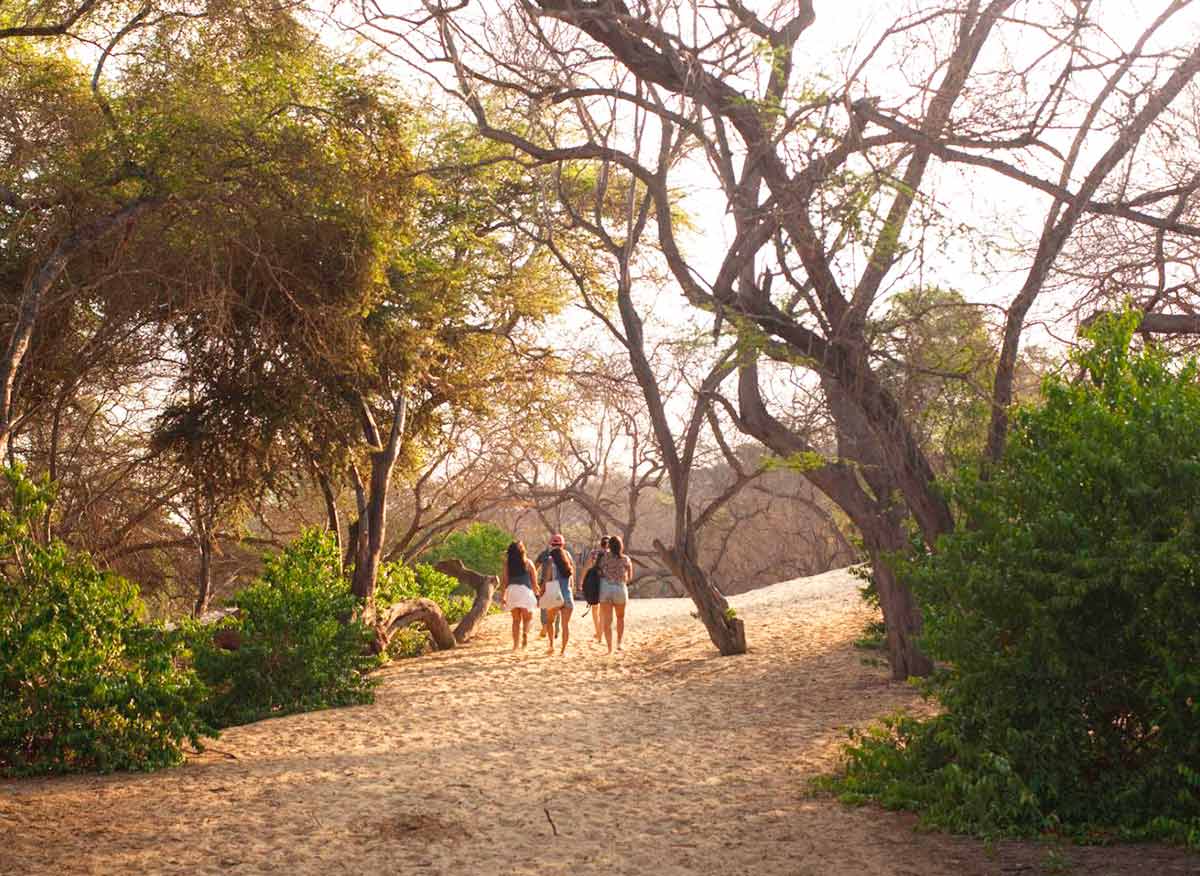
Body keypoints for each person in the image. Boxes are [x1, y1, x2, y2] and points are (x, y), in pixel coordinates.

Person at [597, 534, 633, 653]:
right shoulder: (625, 559)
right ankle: (619, 643)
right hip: (620, 588)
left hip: (606, 588)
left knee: (607, 620)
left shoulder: (604, 557)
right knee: (620, 618)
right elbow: (630, 576)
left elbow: (599, 570)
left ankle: (609, 648)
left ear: (609, 546)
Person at [499, 541, 538, 651]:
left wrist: (503, 597)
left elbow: (504, 581)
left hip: (512, 591)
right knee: (527, 618)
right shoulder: (528, 563)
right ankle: (525, 634)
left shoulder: (507, 564)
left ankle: (515, 645)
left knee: (516, 620)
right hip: (525, 591)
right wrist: (536, 593)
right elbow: (534, 582)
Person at [535, 533, 573, 642]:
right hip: (563, 586)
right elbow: (571, 571)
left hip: (548, 585)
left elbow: (535, 566)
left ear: (551, 543)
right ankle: (556, 631)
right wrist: (571, 586)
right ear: (563, 544)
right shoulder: (567, 554)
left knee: (546, 610)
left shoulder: (545, 554)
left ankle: (545, 627)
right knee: (559, 610)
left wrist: (537, 584)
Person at [577, 536, 609, 642]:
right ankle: (600, 632)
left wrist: (581, 582)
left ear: (601, 543)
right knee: (603, 610)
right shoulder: (612, 554)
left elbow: (586, 568)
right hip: (606, 583)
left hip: (594, 583)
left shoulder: (594, 553)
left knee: (595, 608)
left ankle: (598, 632)